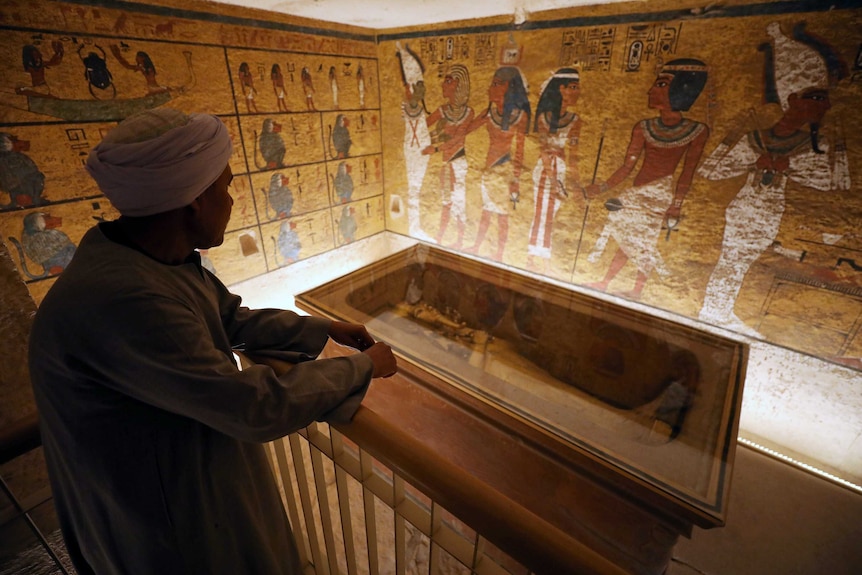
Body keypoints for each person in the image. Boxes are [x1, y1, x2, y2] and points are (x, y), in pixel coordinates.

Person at [28, 108, 397, 575]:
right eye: (224, 187)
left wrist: (321, 329)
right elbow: (251, 406)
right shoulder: (124, 297)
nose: (232, 199)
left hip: (179, 481)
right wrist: (364, 366)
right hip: (160, 521)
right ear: (193, 202)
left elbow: (226, 317)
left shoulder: (148, 256)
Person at [585, 58, 709, 299]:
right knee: (626, 240)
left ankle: (637, 290)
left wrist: (676, 206)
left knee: (644, 244)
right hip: (635, 193)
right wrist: (600, 188)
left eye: (660, 84)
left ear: (682, 88)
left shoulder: (697, 131)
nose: (650, 89)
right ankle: (606, 281)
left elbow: (687, 172)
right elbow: (627, 167)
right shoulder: (643, 127)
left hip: (660, 195)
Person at [465, 66, 530, 261]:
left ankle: (500, 253)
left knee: (502, 215)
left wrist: (515, 179)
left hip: (505, 169)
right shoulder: (489, 114)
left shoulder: (519, 116)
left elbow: (520, 149)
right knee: (486, 211)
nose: (490, 88)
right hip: (489, 170)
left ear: (509, 87)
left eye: (495, 84)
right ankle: (477, 246)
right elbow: (467, 129)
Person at [528, 68, 583, 273]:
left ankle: (541, 255)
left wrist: (573, 183)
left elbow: (574, 157)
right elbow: (543, 150)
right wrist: (552, 180)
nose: (577, 92)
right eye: (573, 87)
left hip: (558, 169)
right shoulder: (544, 117)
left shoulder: (575, 121)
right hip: (545, 170)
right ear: (561, 88)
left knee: (550, 215)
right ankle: (536, 256)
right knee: (542, 214)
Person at [422, 64, 474, 248]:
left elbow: (457, 138)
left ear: (459, 85)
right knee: (446, 202)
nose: (443, 85)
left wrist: (434, 148)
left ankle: (460, 240)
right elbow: (423, 126)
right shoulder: (443, 110)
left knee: (458, 202)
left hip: (458, 161)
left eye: (448, 81)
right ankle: (440, 238)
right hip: (446, 163)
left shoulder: (468, 113)